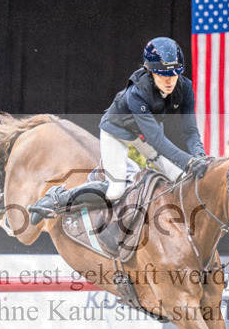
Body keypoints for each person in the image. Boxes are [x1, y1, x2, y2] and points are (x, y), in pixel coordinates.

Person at [28, 37, 211, 224]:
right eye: (163, 75)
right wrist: (189, 162)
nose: (170, 81)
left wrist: (200, 156)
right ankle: (59, 197)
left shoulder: (185, 88)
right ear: (149, 71)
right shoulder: (137, 93)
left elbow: (190, 131)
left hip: (143, 134)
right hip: (117, 133)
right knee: (116, 190)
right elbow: (156, 139)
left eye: (174, 74)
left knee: (180, 178)